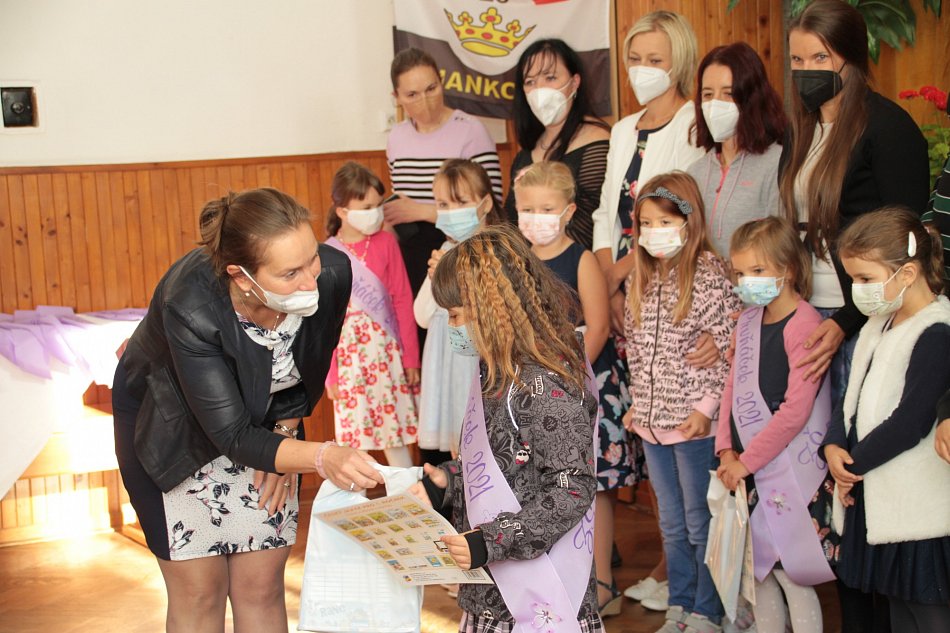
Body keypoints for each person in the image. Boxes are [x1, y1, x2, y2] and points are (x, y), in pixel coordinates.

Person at [112, 187, 384, 633]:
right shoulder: (191, 304)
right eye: (290, 273)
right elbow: (233, 435)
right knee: (200, 592)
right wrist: (319, 456)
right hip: (172, 428)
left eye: (311, 259)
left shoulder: (333, 273)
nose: (310, 282)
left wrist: (283, 439)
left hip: (267, 424)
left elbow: (309, 369)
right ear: (242, 277)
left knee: (261, 586)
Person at [779, 4, 930, 628]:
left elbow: (903, 242)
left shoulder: (887, 128)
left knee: (858, 471)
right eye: (798, 59)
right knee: (820, 474)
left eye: (821, 57)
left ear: (853, 58)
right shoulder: (801, 128)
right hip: (806, 315)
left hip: (860, 321)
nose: (808, 70)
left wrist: (844, 319)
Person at [410, 223, 602, 633]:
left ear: (490, 309)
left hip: (543, 597)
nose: (452, 326)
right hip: (492, 593)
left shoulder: (545, 382)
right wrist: (449, 481)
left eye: (456, 315)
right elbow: (503, 464)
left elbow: (572, 486)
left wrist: (489, 541)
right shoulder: (497, 372)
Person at [591, 13, 709, 609]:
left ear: (679, 62)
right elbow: (606, 215)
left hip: (668, 290)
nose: (642, 69)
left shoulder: (694, 123)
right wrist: (608, 289)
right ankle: (670, 564)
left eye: (655, 59)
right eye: (635, 58)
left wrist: (622, 277)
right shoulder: (622, 129)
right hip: (623, 291)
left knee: (678, 431)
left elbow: (677, 217)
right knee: (645, 425)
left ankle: (678, 569)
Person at [621, 172, 741, 633]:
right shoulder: (642, 278)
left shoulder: (708, 274)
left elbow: (728, 346)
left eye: (665, 221)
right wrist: (639, 404)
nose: (654, 232)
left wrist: (705, 408)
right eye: (646, 223)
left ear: (690, 221)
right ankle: (681, 604)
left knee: (699, 521)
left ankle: (708, 610)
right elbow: (637, 350)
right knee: (671, 524)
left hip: (693, 425)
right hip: (652, 424)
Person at [514, 161, 633, 618]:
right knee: (545, 483)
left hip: (582, 384)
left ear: (567, 211)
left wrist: (565, 379)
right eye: (528, 209)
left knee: (592, 485)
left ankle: (601, 581)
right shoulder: (518, 259)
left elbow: (598, 327)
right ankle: (556, 577)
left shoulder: (581, 259)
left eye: (547, 209)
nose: (536, 218)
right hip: (532, 389)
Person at [823, 207, 950, 633]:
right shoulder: (879, 323)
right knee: (898, 612)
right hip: (878, 495)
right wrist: (833, 445)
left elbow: (910, 422)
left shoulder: (937, 330)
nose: (858, 290)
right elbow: (849, 397)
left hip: (917, 509)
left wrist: (851, 466)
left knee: (928, 613)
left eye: (865, 278)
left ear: (907, 273)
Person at [717, 217, 836, 633]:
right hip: (747, 468)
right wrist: (725, 450)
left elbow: (795, 410)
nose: (746, 282)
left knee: (791, 574)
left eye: (757, 270)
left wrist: (745, 461)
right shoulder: (747, 322)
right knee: (759, 573)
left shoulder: (804, 324)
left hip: (787, 471)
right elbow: (730, 389)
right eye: (740, 272)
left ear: (787, 268)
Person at [384, 47, 502, 300]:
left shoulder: (471, 131)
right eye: (412, 94)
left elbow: (493, 207)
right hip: (412, 253)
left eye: (431, 89)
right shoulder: (396, 136)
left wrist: (423, 212)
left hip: (464, 249)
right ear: (397, 97)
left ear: (442, 82)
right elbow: (399, 200)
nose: (425, 101)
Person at [323, 162, 420, 467]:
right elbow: (325, 320)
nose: (375, 213)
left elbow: (403, 299)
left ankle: (408, 496)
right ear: (342, 210)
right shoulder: (327, 253)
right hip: (348, 361)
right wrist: (330, 374)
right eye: (366, 207)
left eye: (378, 205)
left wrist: (411, 358)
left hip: (386, 354)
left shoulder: (386, 242)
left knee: (395, 440)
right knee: (353, 448)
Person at [413, 159, 504, 457]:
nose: (451, 212)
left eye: (461, 202)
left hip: (478, 367)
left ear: (485, 204)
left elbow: (498, 312)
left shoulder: (497, 250)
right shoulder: (445, 250)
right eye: (443, 204)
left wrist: (457, 278)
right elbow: (422, 316)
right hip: (444, 369)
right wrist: (436, 278)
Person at [504, 38, 611, 249]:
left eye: (550, 78)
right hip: (526, 266)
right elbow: (510, 222)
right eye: (530, 82)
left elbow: (591, 224)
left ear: (575, 82)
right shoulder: (526, 153)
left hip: (578, 265)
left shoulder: (597, 141)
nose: (539, 89)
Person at [686, 42, 786, 258]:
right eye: (708, 94)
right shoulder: (695, 172)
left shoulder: (776, 163)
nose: (715, 104)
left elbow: (781, 243)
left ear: (751, 98)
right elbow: (684, 223)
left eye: (728, 94)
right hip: (704, 280)